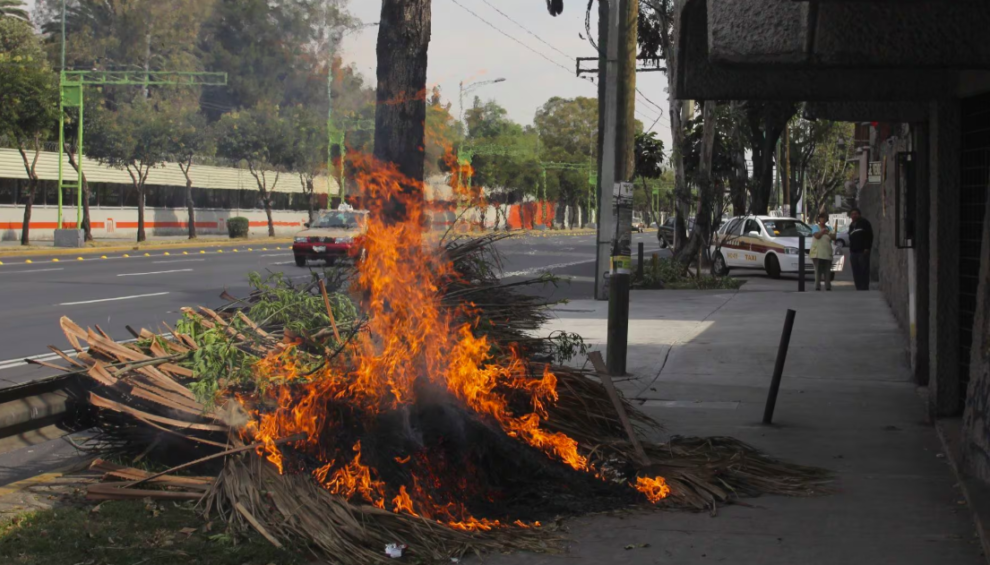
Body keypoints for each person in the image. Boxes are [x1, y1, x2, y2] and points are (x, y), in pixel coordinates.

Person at [847, 207, 874, 291]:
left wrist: (867, 247)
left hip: (862, 251)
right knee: (856, 270)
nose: (854, 215)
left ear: (859, 214)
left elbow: (869, 236)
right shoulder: (851, 225)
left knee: (864, 270)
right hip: (853, 252)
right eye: (852, 214)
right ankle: (858, 287)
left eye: (855, 214)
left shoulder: (864, 223)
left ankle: (864, 287)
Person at [810, 212, 835, 291]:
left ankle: (828, 286)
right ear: (819, 219)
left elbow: (834, 237)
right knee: (818, 270)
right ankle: (817, 286)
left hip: (827, 252)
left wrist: (828, 233)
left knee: (827, 270)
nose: (823, 219)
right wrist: (822, 231)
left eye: (824, 218)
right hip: (817, 253)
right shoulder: (815, 227)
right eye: (821, 218)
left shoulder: (829, 228)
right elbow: (817, 236)